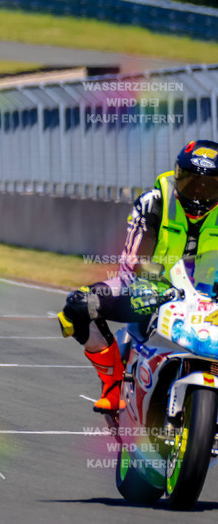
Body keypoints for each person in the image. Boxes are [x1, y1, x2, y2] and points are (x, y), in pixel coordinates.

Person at [59, 140, 218, 413]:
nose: (198, 193)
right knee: (78, 307)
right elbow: (135, 258)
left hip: (208, 300)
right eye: (191, 182)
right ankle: (112, 385)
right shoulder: (155, 202)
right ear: (177, 174)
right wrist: (158, 286)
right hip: (151, 290)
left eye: (208, 186)